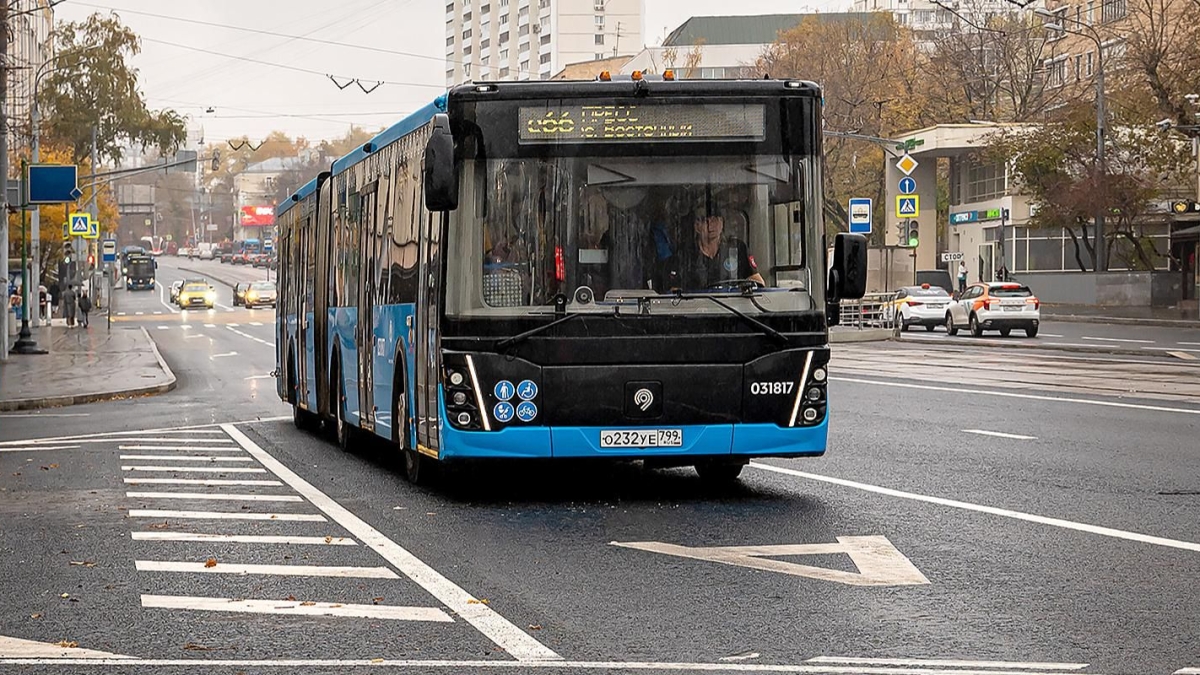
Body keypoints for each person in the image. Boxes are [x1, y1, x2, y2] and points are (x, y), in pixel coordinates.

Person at [671, 209, 765, 290]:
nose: (711, 225)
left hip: (731, 304)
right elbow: (674, 291)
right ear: (697, 226)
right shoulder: (684, 254)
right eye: (706, 221)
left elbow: (758, 282)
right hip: (696, 304)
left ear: (722, 223)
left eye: (715, 220)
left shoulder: (737, 248)